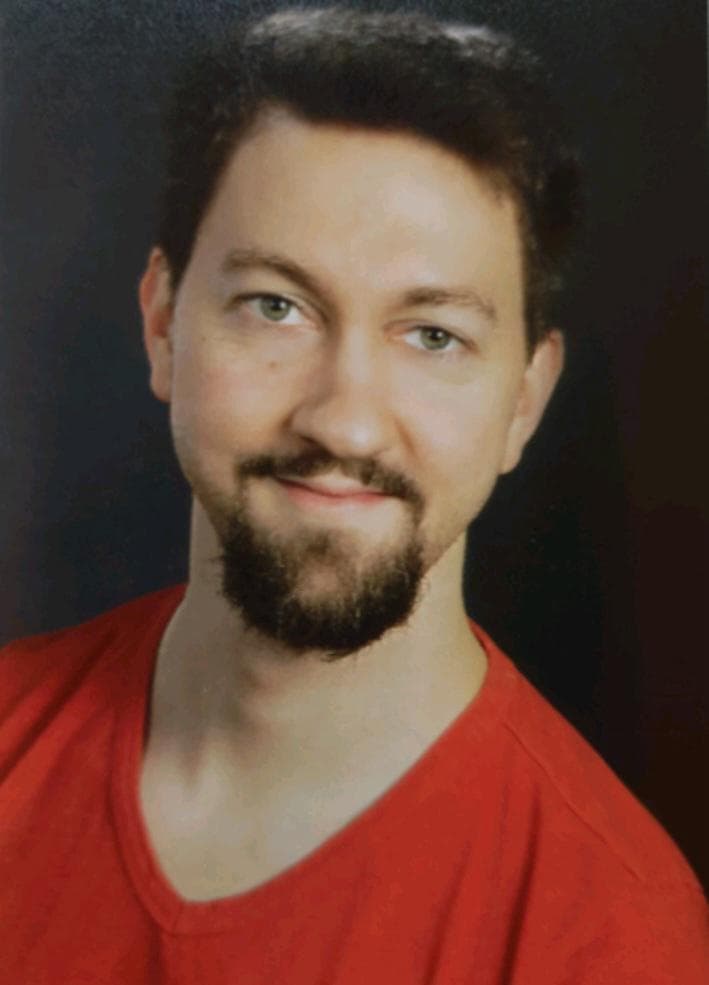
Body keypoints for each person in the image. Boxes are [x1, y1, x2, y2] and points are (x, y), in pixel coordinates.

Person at [1, 7, 706, 982]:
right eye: (276, 306)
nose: (346, 422)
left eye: (431, 335)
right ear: (164, 325)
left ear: (524, 402)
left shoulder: (607, 933)